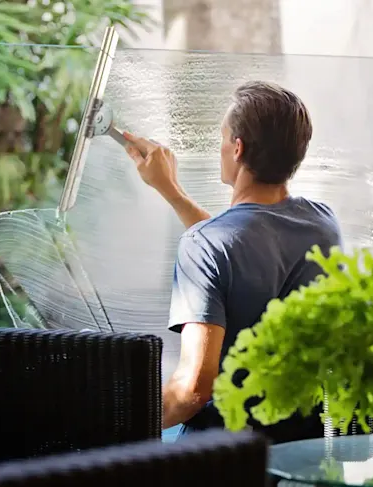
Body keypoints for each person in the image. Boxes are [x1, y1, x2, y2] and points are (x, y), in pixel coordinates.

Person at [122, 80, 342, 443]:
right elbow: (243, 243)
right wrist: (171, 191)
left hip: (224, 455)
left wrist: (115, 421)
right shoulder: (323, 224)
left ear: (237, 149)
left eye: (222, 138)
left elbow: (192, 390)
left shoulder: (206, 244)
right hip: (301, 445)